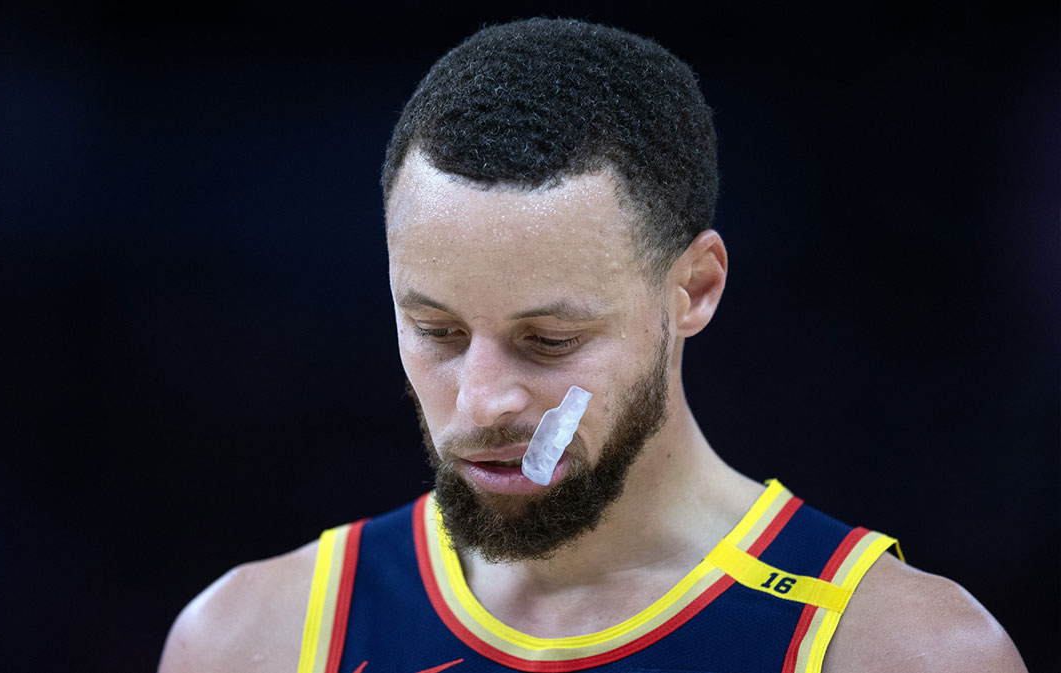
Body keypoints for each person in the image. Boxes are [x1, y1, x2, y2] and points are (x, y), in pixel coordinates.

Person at [158, 18, 1026, 673]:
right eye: (437, 331)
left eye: (549, 340)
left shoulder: (902, 651)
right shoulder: (250, 640)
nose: (484, 399)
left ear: (694, 290)